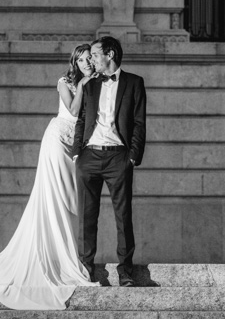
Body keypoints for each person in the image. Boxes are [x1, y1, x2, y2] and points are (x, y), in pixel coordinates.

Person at [0, 44, 101, 309]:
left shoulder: (97, 84)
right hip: (56, 141)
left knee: (69, 203)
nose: (87, 62)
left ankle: (60, 257)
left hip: (75, 146)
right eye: (82, 59)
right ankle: (55, 261)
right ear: (75, 63)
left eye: (90, 59)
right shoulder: (65, 82)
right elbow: (74, 111)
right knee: (54, 199)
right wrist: (85, 84)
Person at [75, 35, 147, 287]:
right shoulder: (90, 85)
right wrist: (77, 153)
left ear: (110, 55)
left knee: (123, 215)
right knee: (86, 215)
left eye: (95, 55)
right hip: (89, 155)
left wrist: (133, 157)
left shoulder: (134, 83)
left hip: (119, 156)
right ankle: (85, 267)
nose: (91, 59)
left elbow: (139, 123)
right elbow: (82, 118)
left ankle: (125, 271)